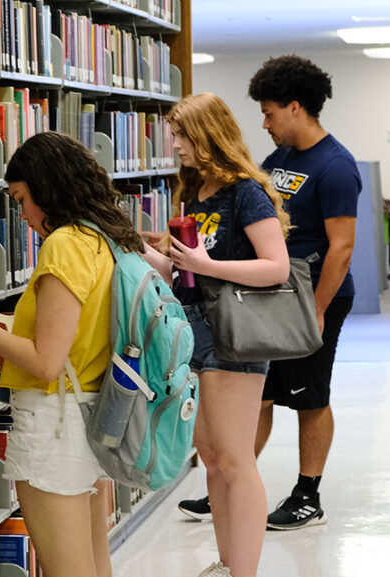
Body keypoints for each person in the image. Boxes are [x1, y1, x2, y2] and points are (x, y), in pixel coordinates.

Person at [0, 131, 144, 577]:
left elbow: (45, 361)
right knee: (93, 563)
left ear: (46, 189)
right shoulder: (103, 238)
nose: (23, 215)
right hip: (94, 412)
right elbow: (73, 333)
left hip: (55, 424)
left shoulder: (64, 245)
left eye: (21, 199)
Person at [177, 55, 361, 532]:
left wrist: (315, 310)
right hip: (266, 295)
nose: (264, 123)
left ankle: (307, 494)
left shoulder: (336, 166)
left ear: (296, 108)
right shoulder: (277, 161)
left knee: (309, 396)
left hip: (309, 296)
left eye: (270, 112)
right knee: (258, 394)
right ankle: (235, 481)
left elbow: (342, 247)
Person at [142, 93, 291, 577]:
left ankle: (243, 570)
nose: (175, 144)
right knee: (210, 458)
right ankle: (228, 563)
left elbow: (276, 267)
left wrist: (207, 264)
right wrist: (139, 251)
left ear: (208, 135)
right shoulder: (191, 192)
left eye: (182, 134)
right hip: (190, 328)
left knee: (234, 459)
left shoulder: (244, 191)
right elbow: (183, 273)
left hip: (234, 331)